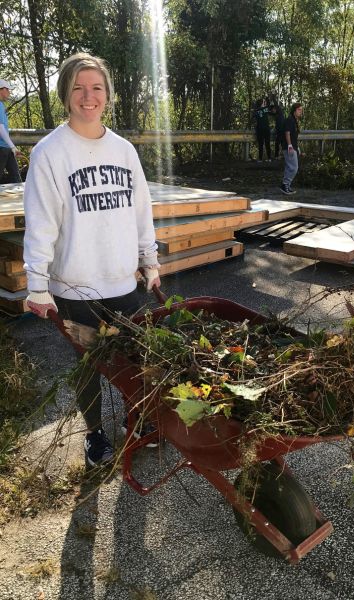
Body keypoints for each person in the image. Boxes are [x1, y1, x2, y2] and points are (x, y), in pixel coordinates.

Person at [23, 53, 161, 467]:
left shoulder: (123, 151)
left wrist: (149, 261)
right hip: (75, 289)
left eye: (96, 88)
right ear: (66, 94)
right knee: (89, 367)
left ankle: (140, 420)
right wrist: (37, 286)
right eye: (79, 88)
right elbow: (40, 223)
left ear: (108, 95)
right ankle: (95, 434)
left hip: (123, 283)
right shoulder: (50, 153)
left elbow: (142, 211)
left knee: (139, 357)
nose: (88, 97)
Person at [0, 79, 22, 183]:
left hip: (6, 147)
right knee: (15, 178)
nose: (9, 92)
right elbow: (0, 128)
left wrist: (11, 147)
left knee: (16, 178)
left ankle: (20, 199)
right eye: (8, 89)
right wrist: (13, 147)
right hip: (1, 148)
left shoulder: (1, 105)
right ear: (2, 89)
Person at [280, 102, 303, 195]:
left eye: (301, 110)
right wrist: (290, 145)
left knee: (289, 167)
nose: (301, 111)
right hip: (289, 147)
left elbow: (294, 136)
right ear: (294, 110)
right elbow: (287, 133)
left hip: (293, 146)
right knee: (294, 168)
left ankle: (286, 186)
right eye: (299, 110)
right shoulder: (290, 120)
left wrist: (297, 147)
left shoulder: (294, 120)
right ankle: (284, 184)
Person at [253, 97, 271, 162]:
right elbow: (254, 116)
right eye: (263, 102)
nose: (265, 103)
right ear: (261, 103)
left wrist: (267, 98)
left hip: (266, 129)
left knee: (267, 144)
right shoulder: (257, 110)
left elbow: (269, 104)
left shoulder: (266, 109)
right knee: (261, 144)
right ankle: (260, 159)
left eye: (265, 102)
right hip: (260, 129)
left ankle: (269, 158)